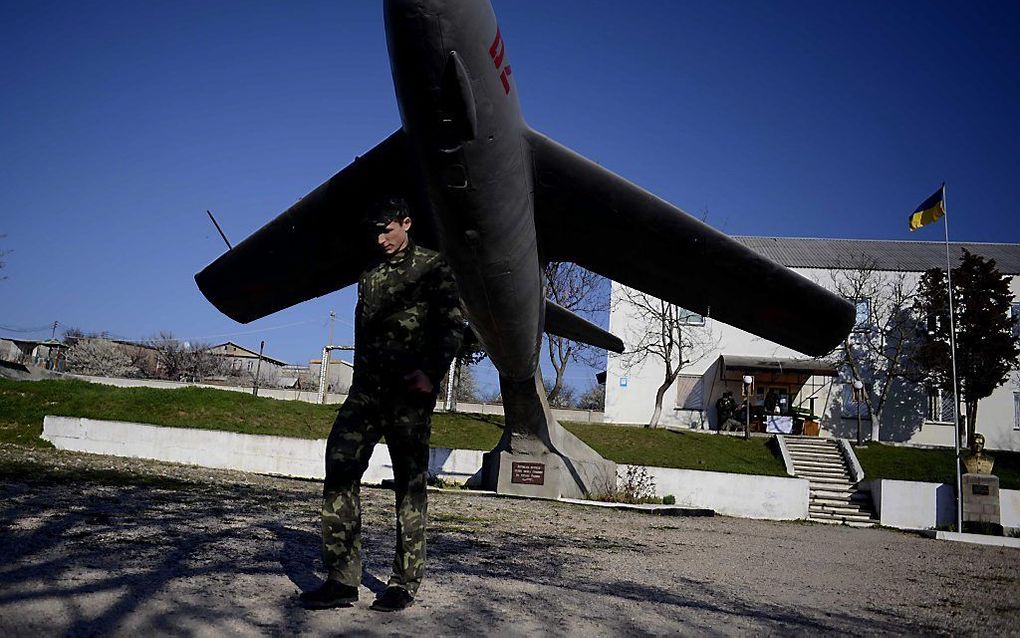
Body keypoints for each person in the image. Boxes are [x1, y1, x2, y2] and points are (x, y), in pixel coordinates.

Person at [299, 197, 464, 613]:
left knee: (409, 484)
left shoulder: (432, 266)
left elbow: (451, 324)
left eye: (387, 229)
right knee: (339, 465)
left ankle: (404, 582)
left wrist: (431, 373)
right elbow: (363, 327)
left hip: (408, 394)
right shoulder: (369, 272)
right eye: (374, 232)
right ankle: (341, 578)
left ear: (406, 223)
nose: (380, 238)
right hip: (366, 392)